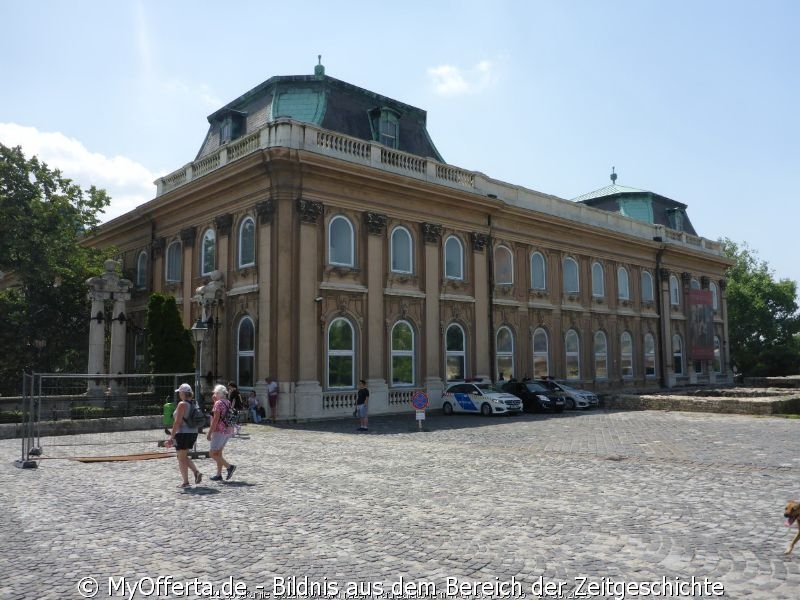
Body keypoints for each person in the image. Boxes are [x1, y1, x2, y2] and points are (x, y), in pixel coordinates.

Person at [168, 383, 202, 488]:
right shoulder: (194, 403)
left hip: (183, 433)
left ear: (183, 393)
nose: (179, 394)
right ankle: (196, 473)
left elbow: (177, 422)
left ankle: (186, 481)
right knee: (182, 456)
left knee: (181, 458)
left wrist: (171, 436)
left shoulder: (182, 404)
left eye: (180, 392)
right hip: (193, 433)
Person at [207, 383, 236, 481]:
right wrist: (215, 401)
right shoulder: (227, 402)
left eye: (215, 393)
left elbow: (215, 420)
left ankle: (229, 467)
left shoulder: (218, 403)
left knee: (212, 453)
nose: (214, 395)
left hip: (219, 430)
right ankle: (219, 474)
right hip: (227, 430)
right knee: (219, 453)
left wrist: (209, 433)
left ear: (218, 393)